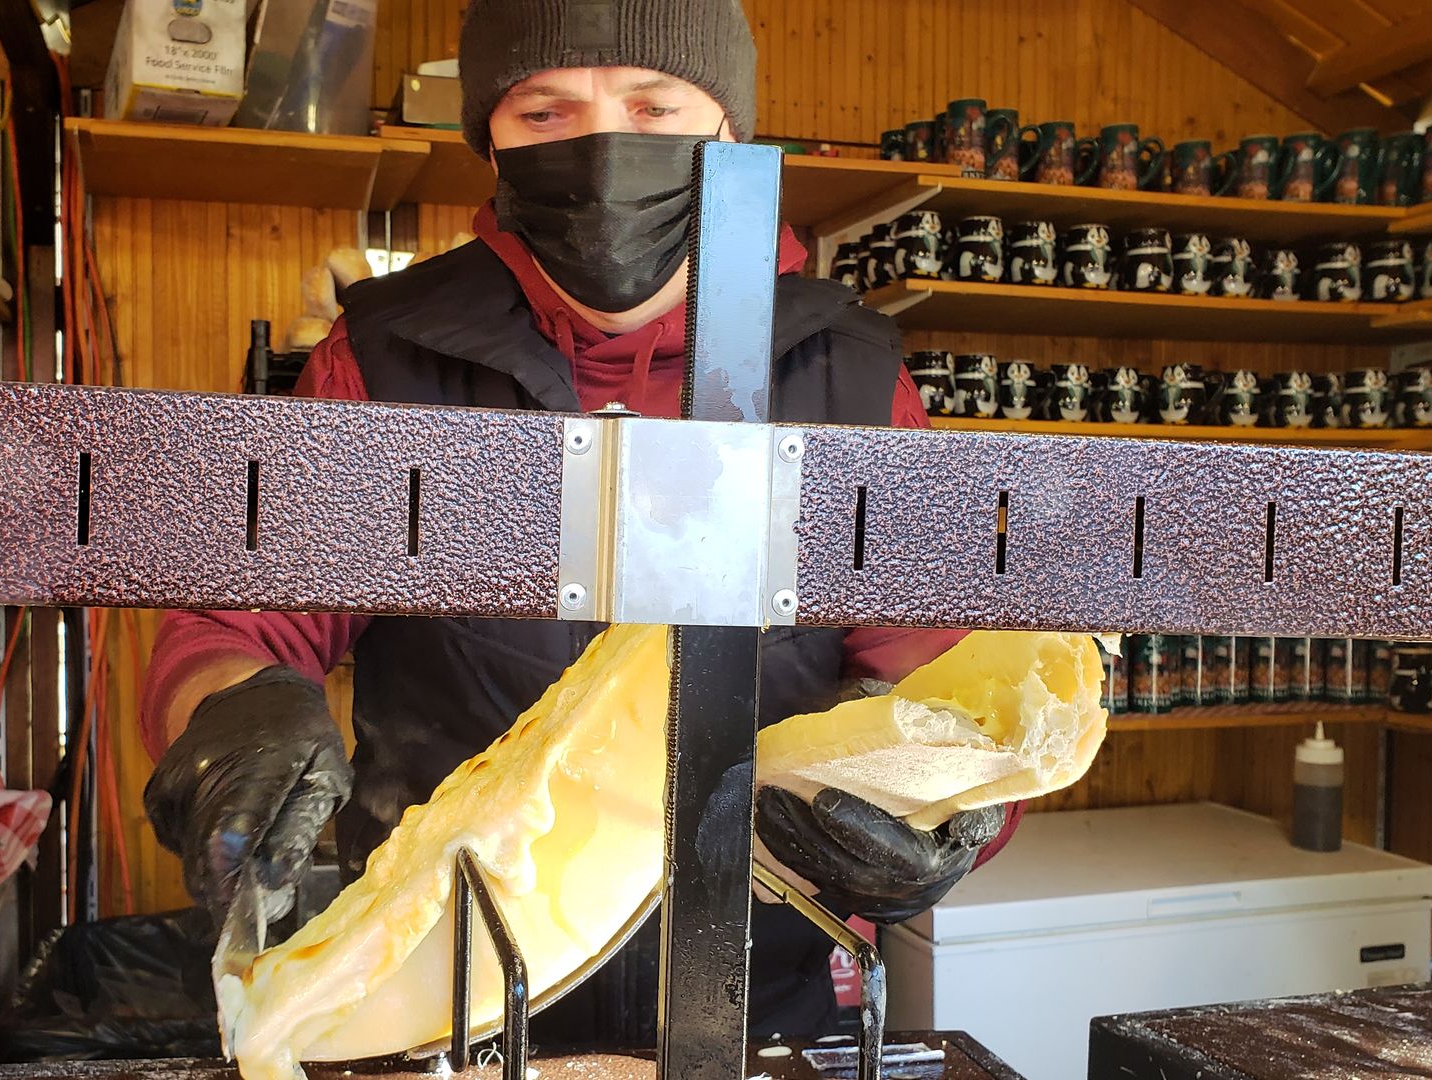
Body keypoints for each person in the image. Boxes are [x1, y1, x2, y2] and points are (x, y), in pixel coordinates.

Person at [139, 0, 1020, 1046]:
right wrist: (230, 718)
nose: (606, 154)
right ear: (492, 144)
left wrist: (953, 800)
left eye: (655, 107)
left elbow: (945, 670)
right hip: (444, 982)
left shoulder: (854, 379)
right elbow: (242, 625)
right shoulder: (382, 361)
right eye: (548, 113)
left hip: (750, 985)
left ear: (728, 131)